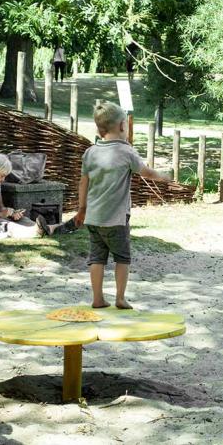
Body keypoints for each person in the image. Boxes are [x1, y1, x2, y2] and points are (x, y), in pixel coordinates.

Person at [74, 101, 169, 309]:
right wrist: (165, 177)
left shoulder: (90, 153)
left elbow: (83, 182)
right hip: (116, 218)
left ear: (100, 128)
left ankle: (97, 298)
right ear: (123, 126)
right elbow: (147, 173)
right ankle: (120, 298)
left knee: (96, 258)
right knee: (122, 258)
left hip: (93, 218)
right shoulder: (127, 152)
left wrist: (81, 209)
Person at [0, 153, 77, 238]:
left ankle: (51, 228)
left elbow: (1, 207)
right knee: (6, 225)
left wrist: (12, 212)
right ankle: (46, 230)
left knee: (24, 220)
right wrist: (2, 214)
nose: (3, 180)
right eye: (2, 175)